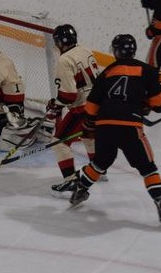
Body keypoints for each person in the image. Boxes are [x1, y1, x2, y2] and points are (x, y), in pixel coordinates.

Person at [68, 34, 161, 228]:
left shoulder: (107, 72)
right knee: (147, 167)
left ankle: (80, 190)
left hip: (105, 126)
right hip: (130, 127)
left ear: (116, 51)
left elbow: (91, 107)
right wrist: (153, 104)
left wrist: (89, 126)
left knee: (100, 162)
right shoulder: (148, 71)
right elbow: (159, 105)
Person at [44, 24, 104, 199]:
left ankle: (70, 179)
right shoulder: (86, 50)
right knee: (88, 135)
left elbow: (69, 95)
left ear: (60, 42)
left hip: (82, 108)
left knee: (59, 142)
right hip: (99, 104)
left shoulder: (64, 60)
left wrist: (55, 105)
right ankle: (97, 167)